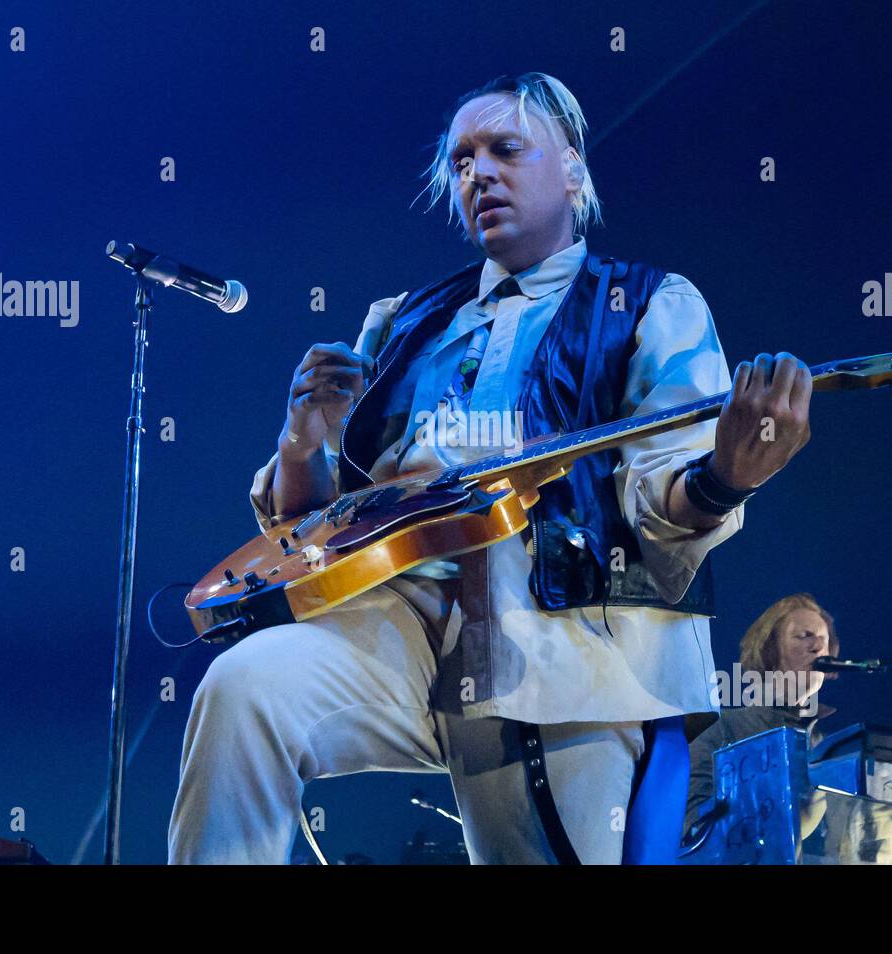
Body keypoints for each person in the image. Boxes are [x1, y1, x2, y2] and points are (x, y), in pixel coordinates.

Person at [168, 72, 813, 864]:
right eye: (462, 160)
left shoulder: (651, 303)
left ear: (572, 169)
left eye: (505, 149)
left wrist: (726, 476)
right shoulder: (401, 322)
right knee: (243, 691)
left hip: (568, 642)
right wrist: (302, 445)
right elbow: (318, 533)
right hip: (397, 623)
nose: (479, 174)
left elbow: (665, 500)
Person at [683, 593, 839, 844]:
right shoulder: (721, 730)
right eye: (804, 636)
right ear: (769, 650)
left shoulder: (826, 749)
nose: (819, 647)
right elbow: (692, 826)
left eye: (824, 639)